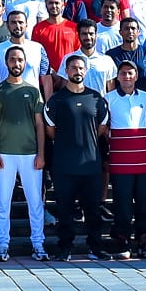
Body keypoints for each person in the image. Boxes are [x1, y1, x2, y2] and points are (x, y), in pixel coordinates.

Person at [44, 52, 110, 260]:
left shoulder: (96, 99)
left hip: (91, 164)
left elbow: (101, 127)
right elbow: (50, 130)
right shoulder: (56, 100)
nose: (78, 71)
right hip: (64, 165)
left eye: (81, 68)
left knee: (93, 210)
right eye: (73, 68)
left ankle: (96, 247)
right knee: (65, 211)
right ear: (66, 71)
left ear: (86, 71)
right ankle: (65, 248)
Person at [0, 45, 46, 262]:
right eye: (12, 60)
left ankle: (38, 243)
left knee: (35, 202)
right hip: (4, 154)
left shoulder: (33, 91)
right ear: (6, 62)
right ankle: (2, 244)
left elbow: (40, 125)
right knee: (2, 202)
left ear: (25, 63)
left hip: (30, 154)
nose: (16, 64)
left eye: (20, 60)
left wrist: (41, 153)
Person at [104, 61, 146, 259]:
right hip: (119, 160)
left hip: (143, 160)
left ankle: (144, 242)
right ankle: (123, 241)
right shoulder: (108, 99)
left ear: (136, 76)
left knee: (145, 201)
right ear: (117, 76)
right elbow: (105, 128)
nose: (126, 77)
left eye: (130, 73)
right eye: (123, 73)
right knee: (122, 203)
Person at [0, 8, 52, 94]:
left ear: (26, 25)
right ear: (7, 25)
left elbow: (46, 79)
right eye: (13, 22)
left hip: (33, 102)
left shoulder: (38, 48)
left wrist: (48, 105)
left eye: (21, 22)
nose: (17, 26)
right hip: (5, 101)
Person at [108, 16, 146, 89]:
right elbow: (110, 82)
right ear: (120, 32)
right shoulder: (111, 55)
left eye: (133, 29)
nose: (130, 31)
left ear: (138, 32)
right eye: (126, 28)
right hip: (120, 98)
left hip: (145, 98)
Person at [33, 0, 80, 65]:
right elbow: (36, 55)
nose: (54, 6)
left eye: (57, 3)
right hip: (47, 75)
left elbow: (78, 53)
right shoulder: (38, 29)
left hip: (69, 74)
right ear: (46, 4)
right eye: (51, 3)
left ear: (63, 4)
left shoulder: (74, 28)